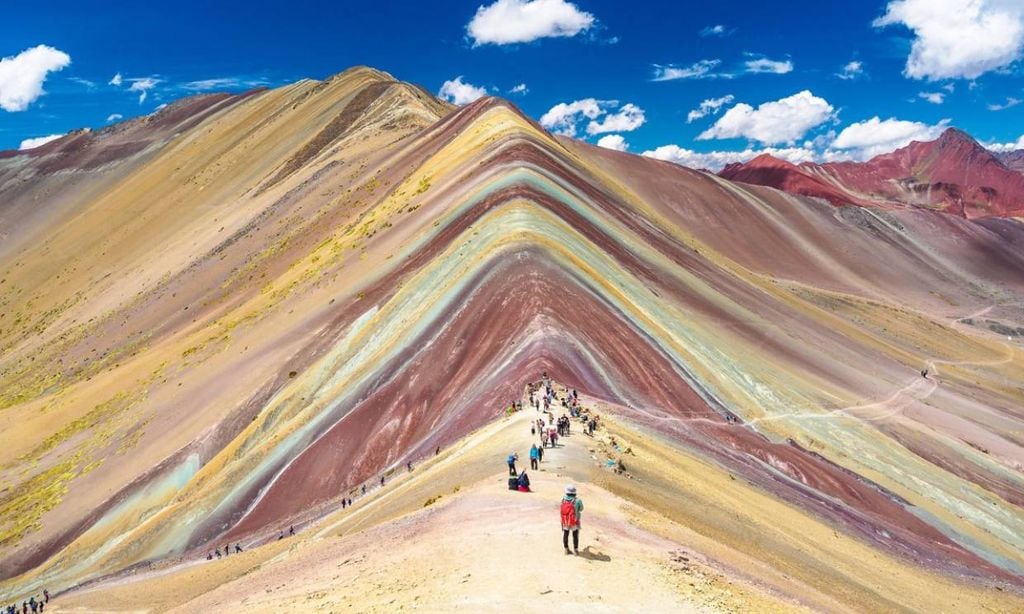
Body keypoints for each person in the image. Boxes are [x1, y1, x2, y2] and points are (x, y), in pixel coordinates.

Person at [560, 484, 584, 555]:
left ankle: (566, 550)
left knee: (566, 534)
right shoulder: (578, 500)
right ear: (574, 492)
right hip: (574, 521)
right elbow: (581, 509)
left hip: (565, 520)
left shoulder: (563, 499)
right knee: (575, 535)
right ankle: (576, 550)